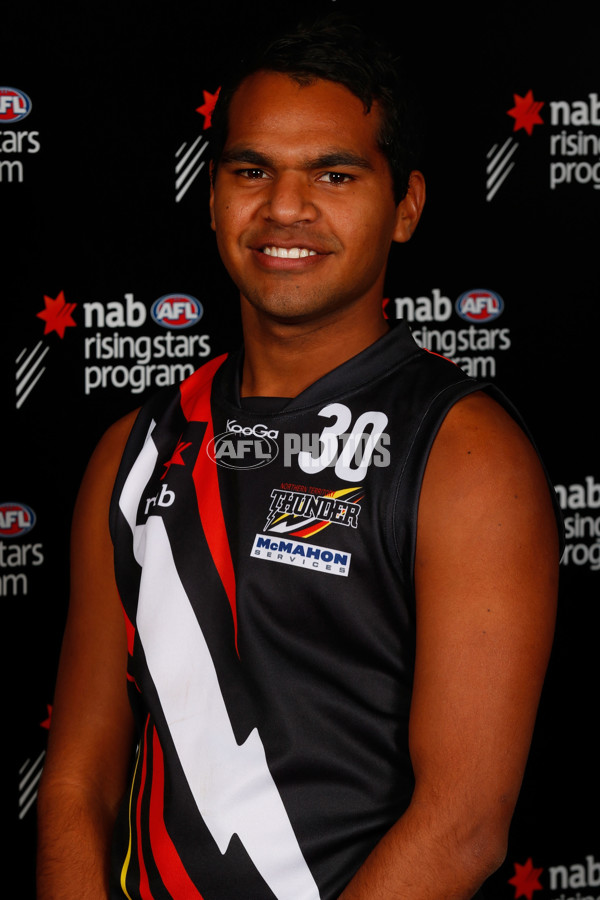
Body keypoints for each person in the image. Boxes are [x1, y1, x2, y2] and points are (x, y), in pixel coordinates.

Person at [36, 15, 561, 900]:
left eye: (334, 173)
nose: (285, 208)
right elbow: (78, 784)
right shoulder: (133, 451)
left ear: (406, 206)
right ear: (211, 200)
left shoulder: (468, 457)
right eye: (252, 172)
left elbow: (463, 824)